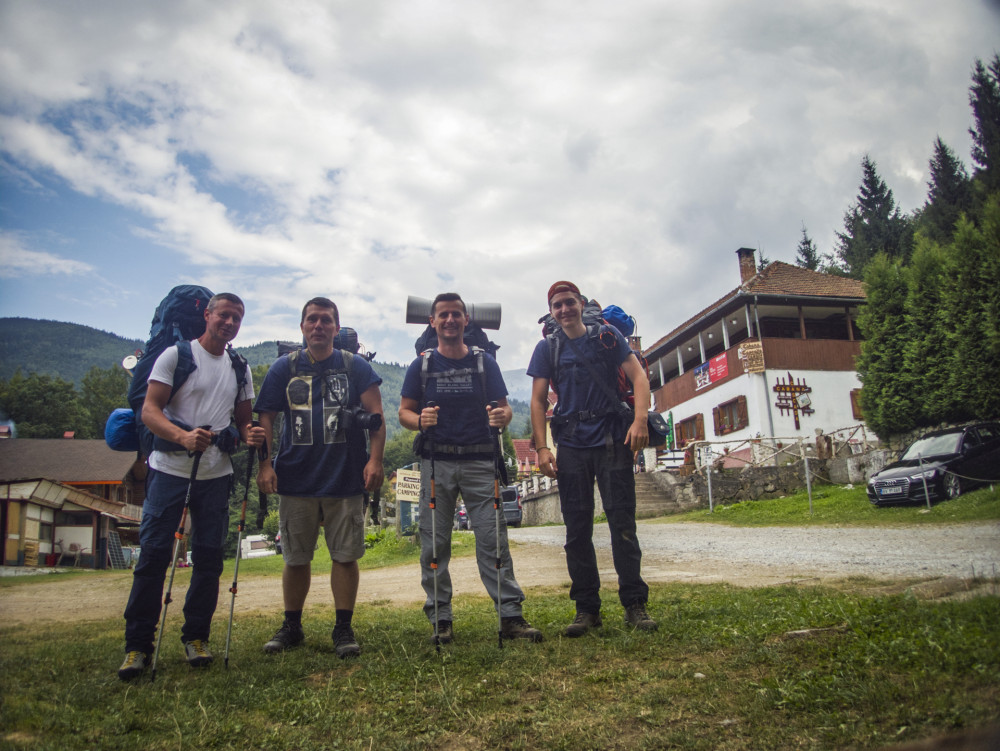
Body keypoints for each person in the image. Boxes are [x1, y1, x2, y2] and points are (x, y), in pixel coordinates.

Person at [119, 292, 266, 680]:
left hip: (215, 475)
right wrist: (182, 437)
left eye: (237, 318)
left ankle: (196, 637)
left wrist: (250, 436)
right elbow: (150, 410)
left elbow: (244, 420)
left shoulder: (239, 366)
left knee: (209, 560)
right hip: (169, 469)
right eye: (224, 315)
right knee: (153, 556)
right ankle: (137, 646)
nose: (230, 323)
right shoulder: (176, 356)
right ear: (207, 315)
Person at [399, 292, 542, 645]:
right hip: (437, 463)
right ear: (433, 322)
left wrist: (502, 416)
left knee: (494, 540)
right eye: (443, 315)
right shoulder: (422, 365)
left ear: (466, 321)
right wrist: (420, 420)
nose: (450, 320)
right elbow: (404, 412)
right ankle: (440, 619)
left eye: (456, 315)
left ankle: (510, 616)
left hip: (480, 461)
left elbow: (506, 410)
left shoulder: (484, 363)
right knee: (434, 543)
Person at [254, 297, 386, 659]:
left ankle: (343, 628)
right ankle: (291, 626)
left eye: (326, 320)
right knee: (295, 558)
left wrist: (375, 461)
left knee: (345, 556)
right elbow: (265, 418)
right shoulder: (284, 368)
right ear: (302, 327)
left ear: (335, 327)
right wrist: (265, 466)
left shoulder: (354, 366)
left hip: (345, 474)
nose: (318, 326)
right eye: (312, 320)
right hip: (295, 475)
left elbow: (376, 415)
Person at [527, 281, 658, 637]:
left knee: (622, 524)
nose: (564, 309)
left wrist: (640, 419)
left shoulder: (608, 336)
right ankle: (587, 609)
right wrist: (542, 449)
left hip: (613, 441)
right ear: (552, 311)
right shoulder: (547, 348)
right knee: (577, 531)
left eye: (569, 302)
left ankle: (635, 604)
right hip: (571, 445)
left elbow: (639, 377)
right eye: (557, 305)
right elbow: (538, 402)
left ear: (580, 304)